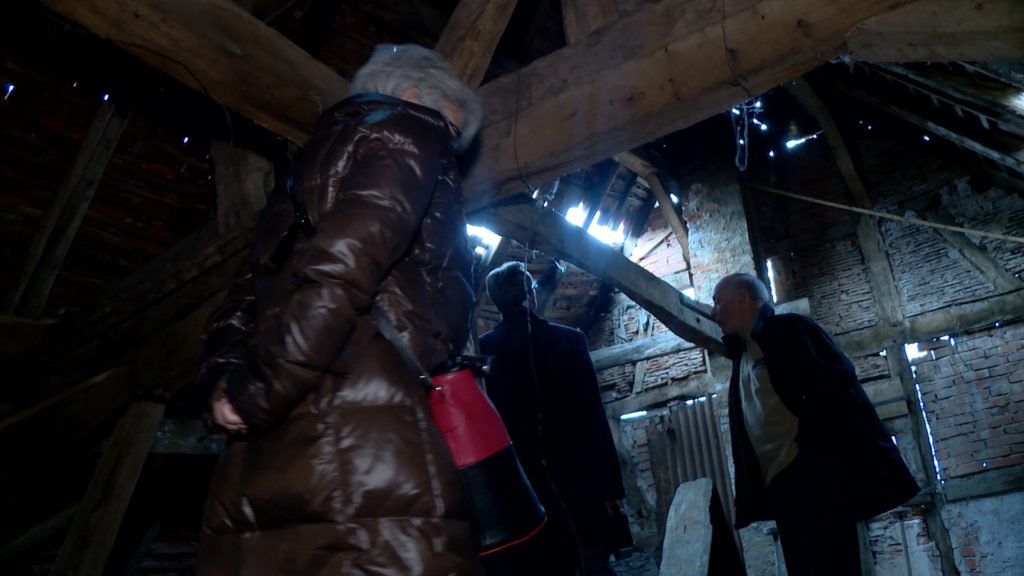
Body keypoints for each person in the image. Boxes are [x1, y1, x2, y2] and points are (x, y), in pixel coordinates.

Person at [194, 44, 483, 575]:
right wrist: (257, 391)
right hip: (365, 438)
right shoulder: (408, 131)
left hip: (274, 450)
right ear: (413, 96)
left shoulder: (301, 177)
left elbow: (241, 300)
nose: (447, 146)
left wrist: (226, 386)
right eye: (448, 124)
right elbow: (341, 270)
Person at [711, 273, 920, 576]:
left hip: (815, 477)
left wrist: (812, 451)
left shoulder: (789, 329)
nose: (713, 312)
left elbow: (838, 385)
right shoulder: (742, 356)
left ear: (742, 299)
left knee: (834, 567)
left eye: (718, 301)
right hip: (783, 488)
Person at [479, 261, 627, 576]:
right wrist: (612, 488)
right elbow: (594, 417)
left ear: (494, 301)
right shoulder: (570, 341)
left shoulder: (484, 352)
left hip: (524, 491)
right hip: (579, 483)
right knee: (593, 564)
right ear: (532, 296)